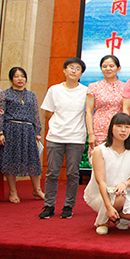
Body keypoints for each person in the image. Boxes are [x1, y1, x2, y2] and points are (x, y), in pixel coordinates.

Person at [39, 58, 88, 219]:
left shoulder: (85, 91)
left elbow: (87, 113)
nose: (74, 71)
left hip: (76, 138)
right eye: (71, 67)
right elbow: (48, 112)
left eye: (78, 69)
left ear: (81, 73)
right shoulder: (54, 90)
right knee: (52, 173)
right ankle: (49, 205)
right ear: (64, 70)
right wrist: (58, 125)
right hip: (56, 137)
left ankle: (68, 206)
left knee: (73, 174)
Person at [83, 113, 130, 235]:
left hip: (123, 191)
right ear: (111, 128)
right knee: (119, 199)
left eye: (127, 127)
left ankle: (116, 217)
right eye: (119, 126)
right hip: (101, 193)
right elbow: (101, 182)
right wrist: (109, 207)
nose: (123, 130)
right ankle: (103, 222)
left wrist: (125, 184)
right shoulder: (100, 151)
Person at [0, 67, 43, 203]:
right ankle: (13, 191)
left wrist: (37, 131)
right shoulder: (4, 94)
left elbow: (35, 114)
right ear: (11, 78)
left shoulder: (31, 95)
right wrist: (0, 132)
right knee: (11, 161)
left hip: (28, 130)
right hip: (11, 130)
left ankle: (37, 189)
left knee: (33, 161)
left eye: (22, 76)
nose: (20, 79)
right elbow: (0, 114)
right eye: (16, 76)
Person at [86, 55, 125, 149]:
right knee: (98, 156)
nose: (108, 69)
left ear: (118, 68)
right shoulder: (94, 86)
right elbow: (89, 112)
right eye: (104, 66)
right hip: (99, 130)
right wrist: (91, 134)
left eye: (111, 66)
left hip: (119, 129)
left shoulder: (125, 87)